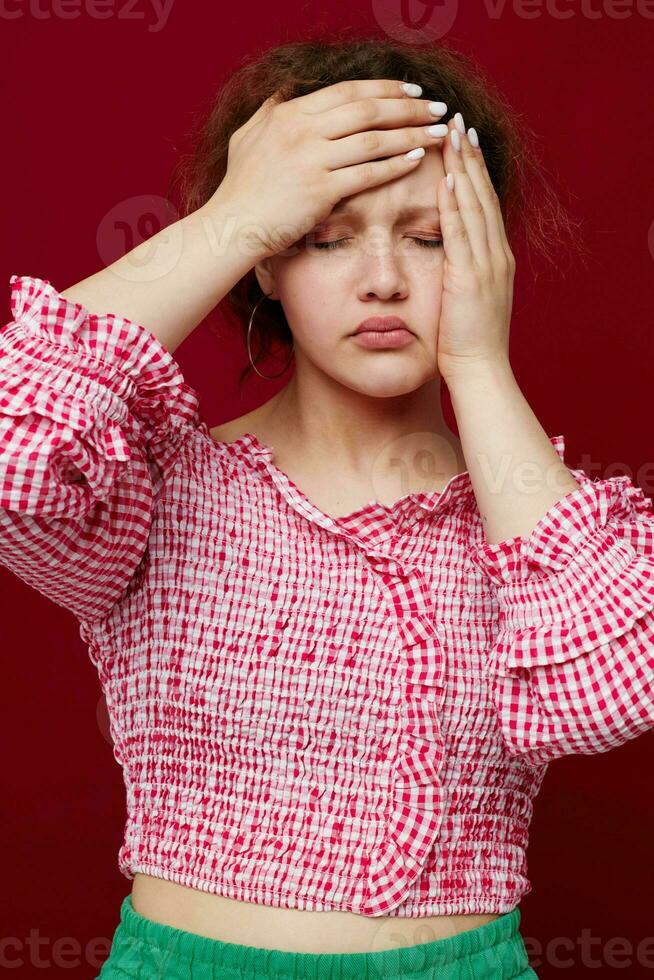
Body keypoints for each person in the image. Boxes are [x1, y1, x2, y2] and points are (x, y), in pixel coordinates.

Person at [2, 34, 653, 980]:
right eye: (324, 235)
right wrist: (236, 219)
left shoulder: (531, 521)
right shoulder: (156, 492)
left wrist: (478, 363)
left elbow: (613, 690)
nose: (383, 278)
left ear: (487, 254)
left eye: (430, 237)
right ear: (269, 263)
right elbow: (15, 452)